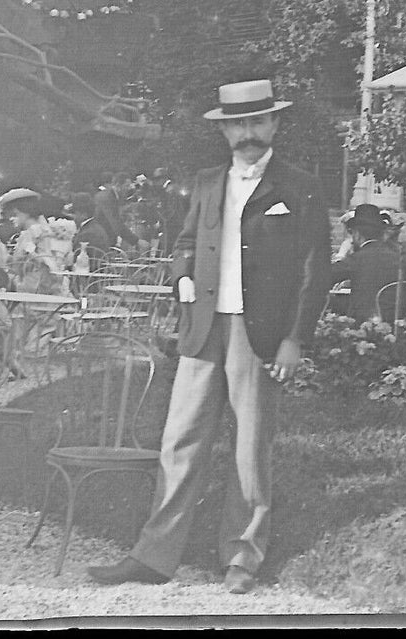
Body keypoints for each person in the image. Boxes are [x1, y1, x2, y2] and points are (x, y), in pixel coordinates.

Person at [87, 78, 331, 594]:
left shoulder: (300, 186)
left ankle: (242, 557)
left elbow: (315, 270)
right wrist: (183, 282)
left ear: (274, 124)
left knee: (250, 444)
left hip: (259, 333)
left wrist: (295, 339)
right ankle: (153, 556)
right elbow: (185, 241)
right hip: (204, 327)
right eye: (238, 124)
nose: (248, 133)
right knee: (180, 440)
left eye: (257, 122)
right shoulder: (204, 182)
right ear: (224, 131)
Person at [328, 204, 401, 322]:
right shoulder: (397, 256)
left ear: (357, 233)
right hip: (395, 321)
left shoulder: (358, 258)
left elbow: (326, 276)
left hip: (363, 322)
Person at [0, 189, 76, 296]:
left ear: (19, 212)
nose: (10, 219)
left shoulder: (29, 235)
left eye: (13, 214)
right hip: (55, 293)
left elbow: (20, 268)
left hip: (32, 293)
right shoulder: (50, 230)